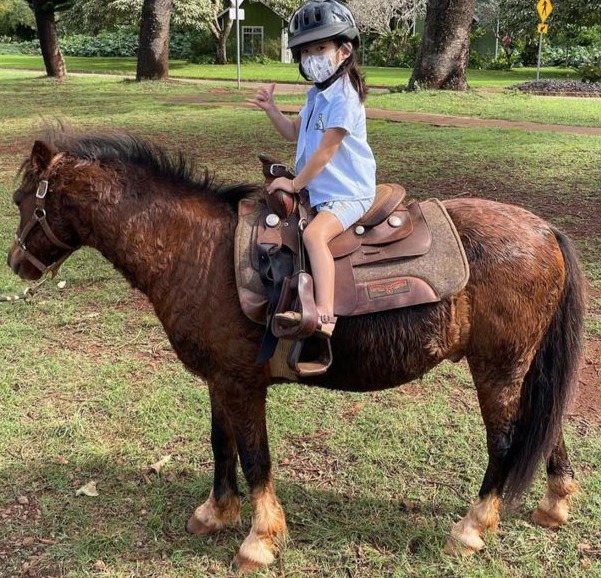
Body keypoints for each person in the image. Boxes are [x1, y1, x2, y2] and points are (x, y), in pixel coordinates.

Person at [248, 0, 376, 338]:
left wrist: (293, 184)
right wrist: (270, 109)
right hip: (321, 190)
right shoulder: (316, 95)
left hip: (348, 192)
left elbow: (325, 153)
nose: (312, 57)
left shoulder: (344, 97)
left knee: (314, 235)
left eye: (321, 48)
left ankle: (324, 315)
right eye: (305, 51)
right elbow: (293, 132)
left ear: (344, 50)